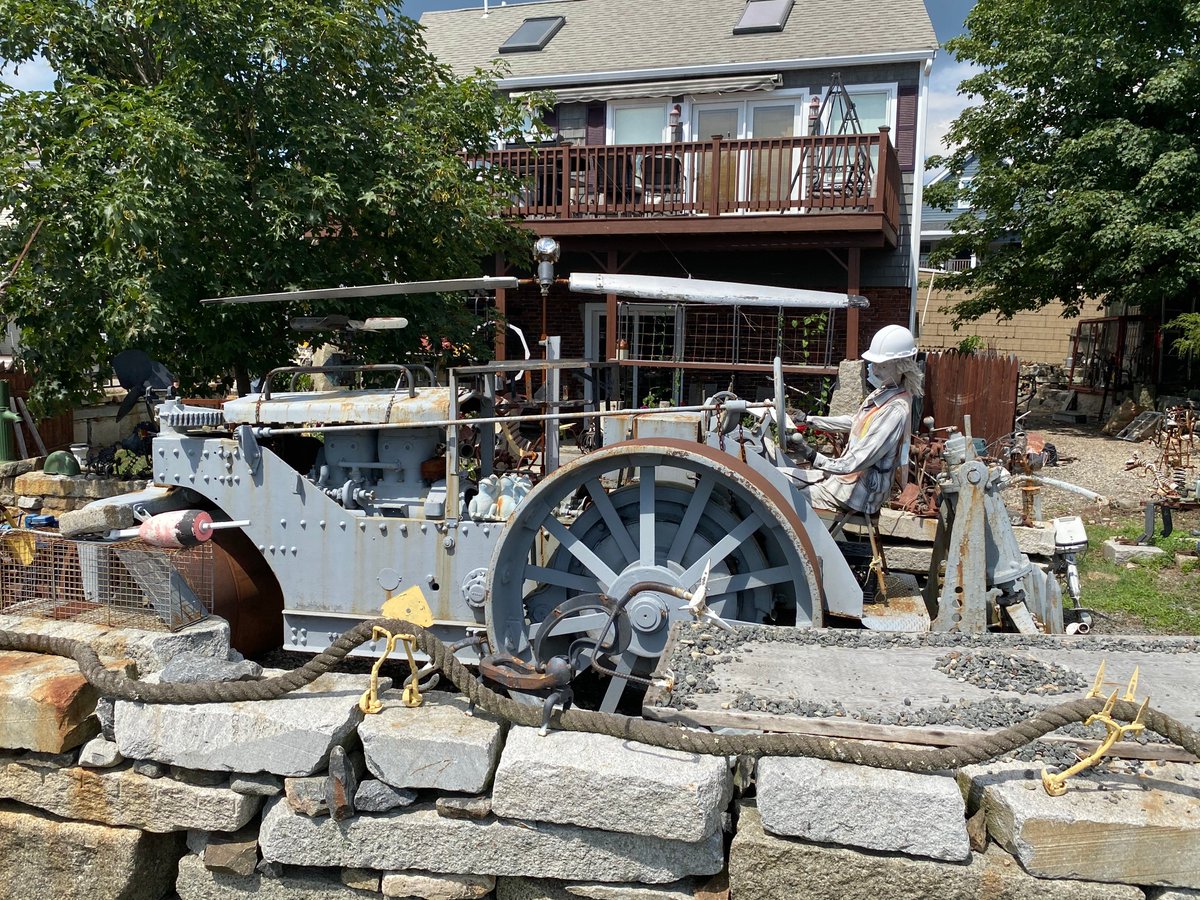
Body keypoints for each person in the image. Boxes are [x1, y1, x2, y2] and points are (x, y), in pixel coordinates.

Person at [789, 324, 924, 515]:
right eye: (874, 364)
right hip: (844, 483)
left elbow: (854, 463)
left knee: (782, 496)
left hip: (857, 495)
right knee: (774, 477)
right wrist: (809, 420)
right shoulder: (885, 391)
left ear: (902, 366)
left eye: (882, 366)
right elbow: (857, 421)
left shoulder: (895, 410)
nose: (875, 371)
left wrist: (810, 454)